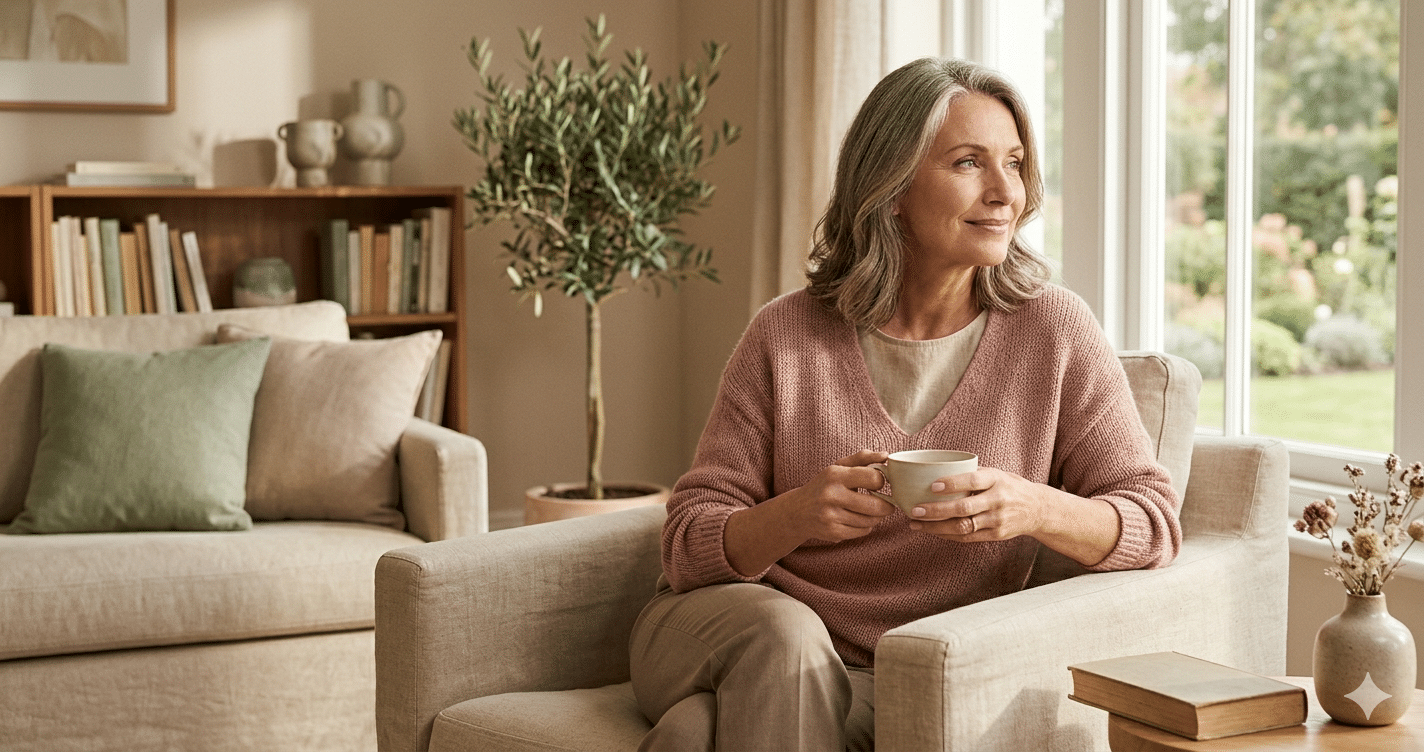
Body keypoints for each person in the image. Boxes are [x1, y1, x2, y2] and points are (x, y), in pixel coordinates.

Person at [628, 56, 1183, 752]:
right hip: (725, 628)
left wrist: (1033, 506)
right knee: (784, 634)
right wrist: (799, 513)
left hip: (893, 674)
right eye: (968, 163)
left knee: (692, 737)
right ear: (891, 189)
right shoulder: (787, 333)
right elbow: (686, 546)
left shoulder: (1055, 332)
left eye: (1013, 163)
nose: (1005, 191)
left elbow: (1152, 522)